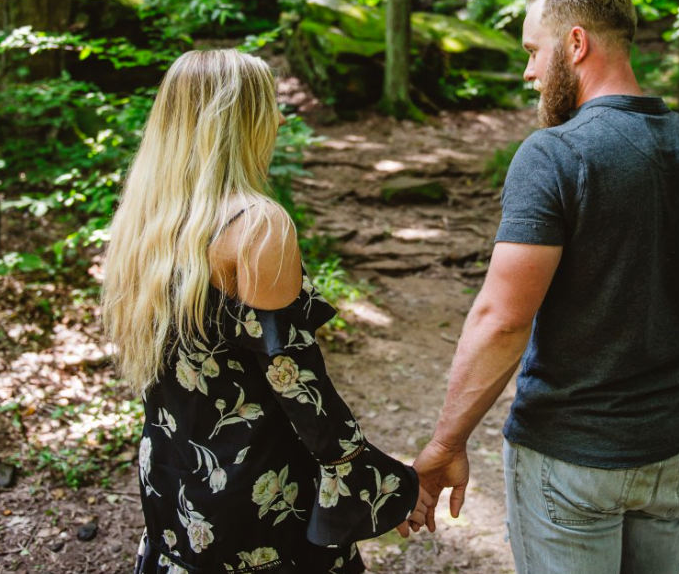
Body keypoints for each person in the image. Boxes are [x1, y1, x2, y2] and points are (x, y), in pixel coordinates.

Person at [412, 0, 679, 574]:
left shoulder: (555, 154)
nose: (529, 72)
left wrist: (445, 444)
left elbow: (502, 322)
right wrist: (659, 422)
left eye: (534, 52)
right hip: (671, 455)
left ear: (577, 44)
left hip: (570, 461)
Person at [101, 49, 431, 574]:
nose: (280, 118)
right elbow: (298, 384)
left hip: (173, 481)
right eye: (272, 105)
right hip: (258, 495)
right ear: (240, 120)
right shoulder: (257, 224)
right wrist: (382, 483)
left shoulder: (147, 223)